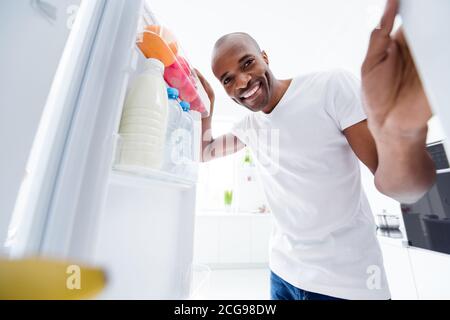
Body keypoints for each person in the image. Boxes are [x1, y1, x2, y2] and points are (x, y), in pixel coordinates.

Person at [195, 0, 435, 300]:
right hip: (283, 274)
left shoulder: (329, 88)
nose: (243, 81)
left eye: (247, 63)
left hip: (346, 283)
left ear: (264, 57)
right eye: (227, 80)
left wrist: (401, 134)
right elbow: (205, 153)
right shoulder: (250, 127)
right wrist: (206, 113)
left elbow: (402, 190)